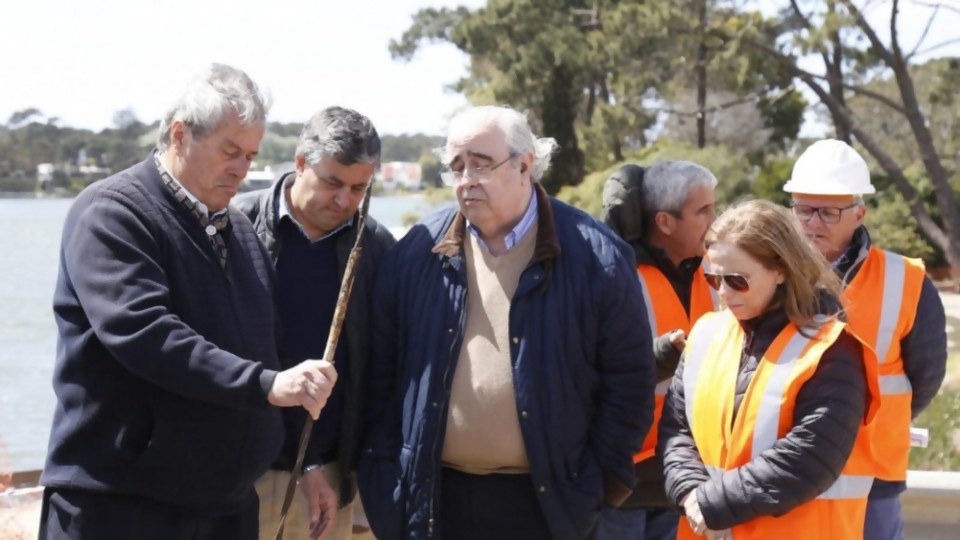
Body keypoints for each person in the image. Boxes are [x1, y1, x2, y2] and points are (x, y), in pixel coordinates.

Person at [38, 63, 337, 540]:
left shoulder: (238, 227)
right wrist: (263, 384)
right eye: (230, 151)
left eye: (251, 154)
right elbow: (144, 332)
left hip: (226, 507)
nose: (242, 168)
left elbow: (270, 350)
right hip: (121, 507)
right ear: (180, 135)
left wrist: (308, 461)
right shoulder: (111, 213)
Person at [358, 105, 656, 540]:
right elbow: (380, 377)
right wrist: (384, 479)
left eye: (480, 164)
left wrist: (595, 487)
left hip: (548, 505)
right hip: (434, 499)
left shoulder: (598, 257)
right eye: (456, 167)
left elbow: (629, 384)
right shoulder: (417, 253)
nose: (465, 180)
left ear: (524, 165)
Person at [659, 199, 881, 539]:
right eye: (713, 278)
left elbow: (811, 456)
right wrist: (690, 492)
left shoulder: (832, 348)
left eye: (737, 279)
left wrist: (711, 504)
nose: (724, 292)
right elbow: (677, 432)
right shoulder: (706, 333)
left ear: (781, 269)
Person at [233, 106, 396, 540]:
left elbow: (386, 366)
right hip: (239, 469)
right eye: (333, 183)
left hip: (335, 477)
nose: (345, 201)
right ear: (300, 163)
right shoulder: (232, 226)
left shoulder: (376, 246)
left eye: (360, 188)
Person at [783, 139, 947, 539]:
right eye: (803, 209)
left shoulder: (906, 279)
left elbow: (924, 377)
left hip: (871, 474)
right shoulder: (767, 273)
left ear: (859, 214)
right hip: (784, 468)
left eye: (828, 212)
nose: (812, 223)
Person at [599, 161, 719, 540]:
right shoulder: (613, 278)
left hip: (691, 475)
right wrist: (662, 356)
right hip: (624, 478)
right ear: (665, 222)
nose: (716, 221)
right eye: (704, 212)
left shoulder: (722, 272)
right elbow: (592, 371)